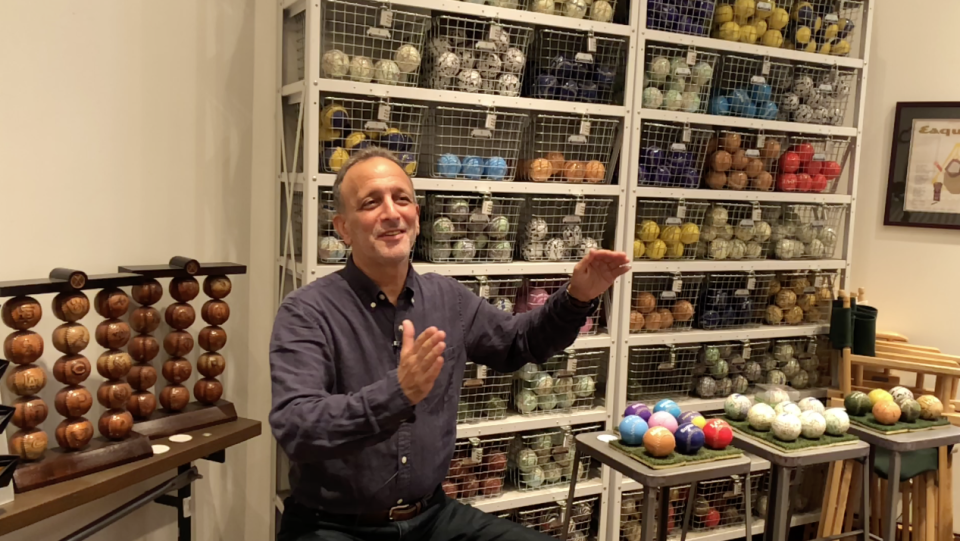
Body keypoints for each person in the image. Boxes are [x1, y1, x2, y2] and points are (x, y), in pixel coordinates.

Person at [270, 147, 629, 541]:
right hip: (334, 525)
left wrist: (576, 298)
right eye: (371, 203)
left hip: (433, 519)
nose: (391, 212)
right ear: (343, 228)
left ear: (418, 218)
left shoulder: (447, 299)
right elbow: (297, 426)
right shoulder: (307, 311)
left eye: (401, 199)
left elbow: (519, 341)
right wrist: (396, 393)